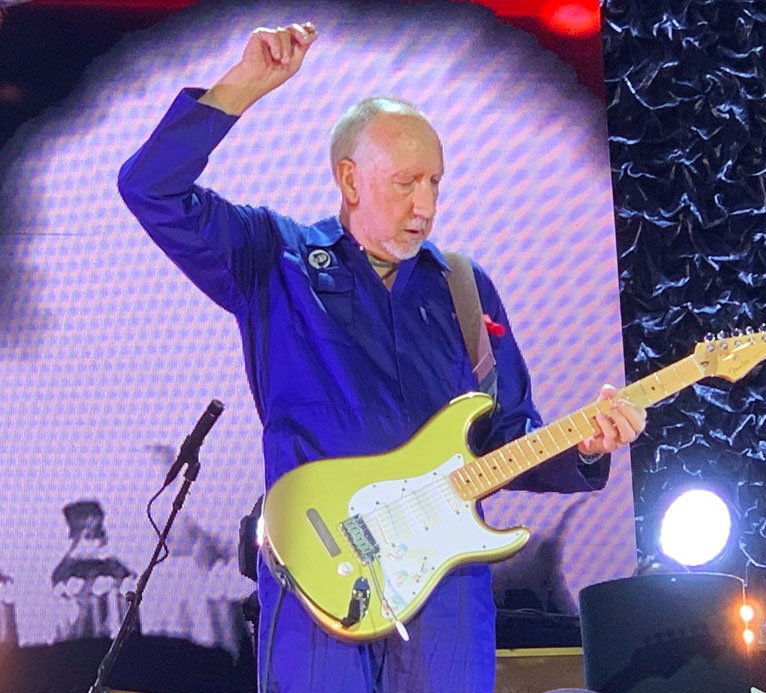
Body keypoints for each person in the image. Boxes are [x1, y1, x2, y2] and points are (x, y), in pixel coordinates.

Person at [118, 22, 647, 693]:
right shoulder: (273, 257)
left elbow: (509, 434)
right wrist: (243, 86)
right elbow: (150, 188)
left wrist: (589, 445)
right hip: (322, 571)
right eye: (405, 183)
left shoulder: (464, 285)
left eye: (435, 183)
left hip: (445, 591)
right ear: (349, 178)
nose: (425, 205)